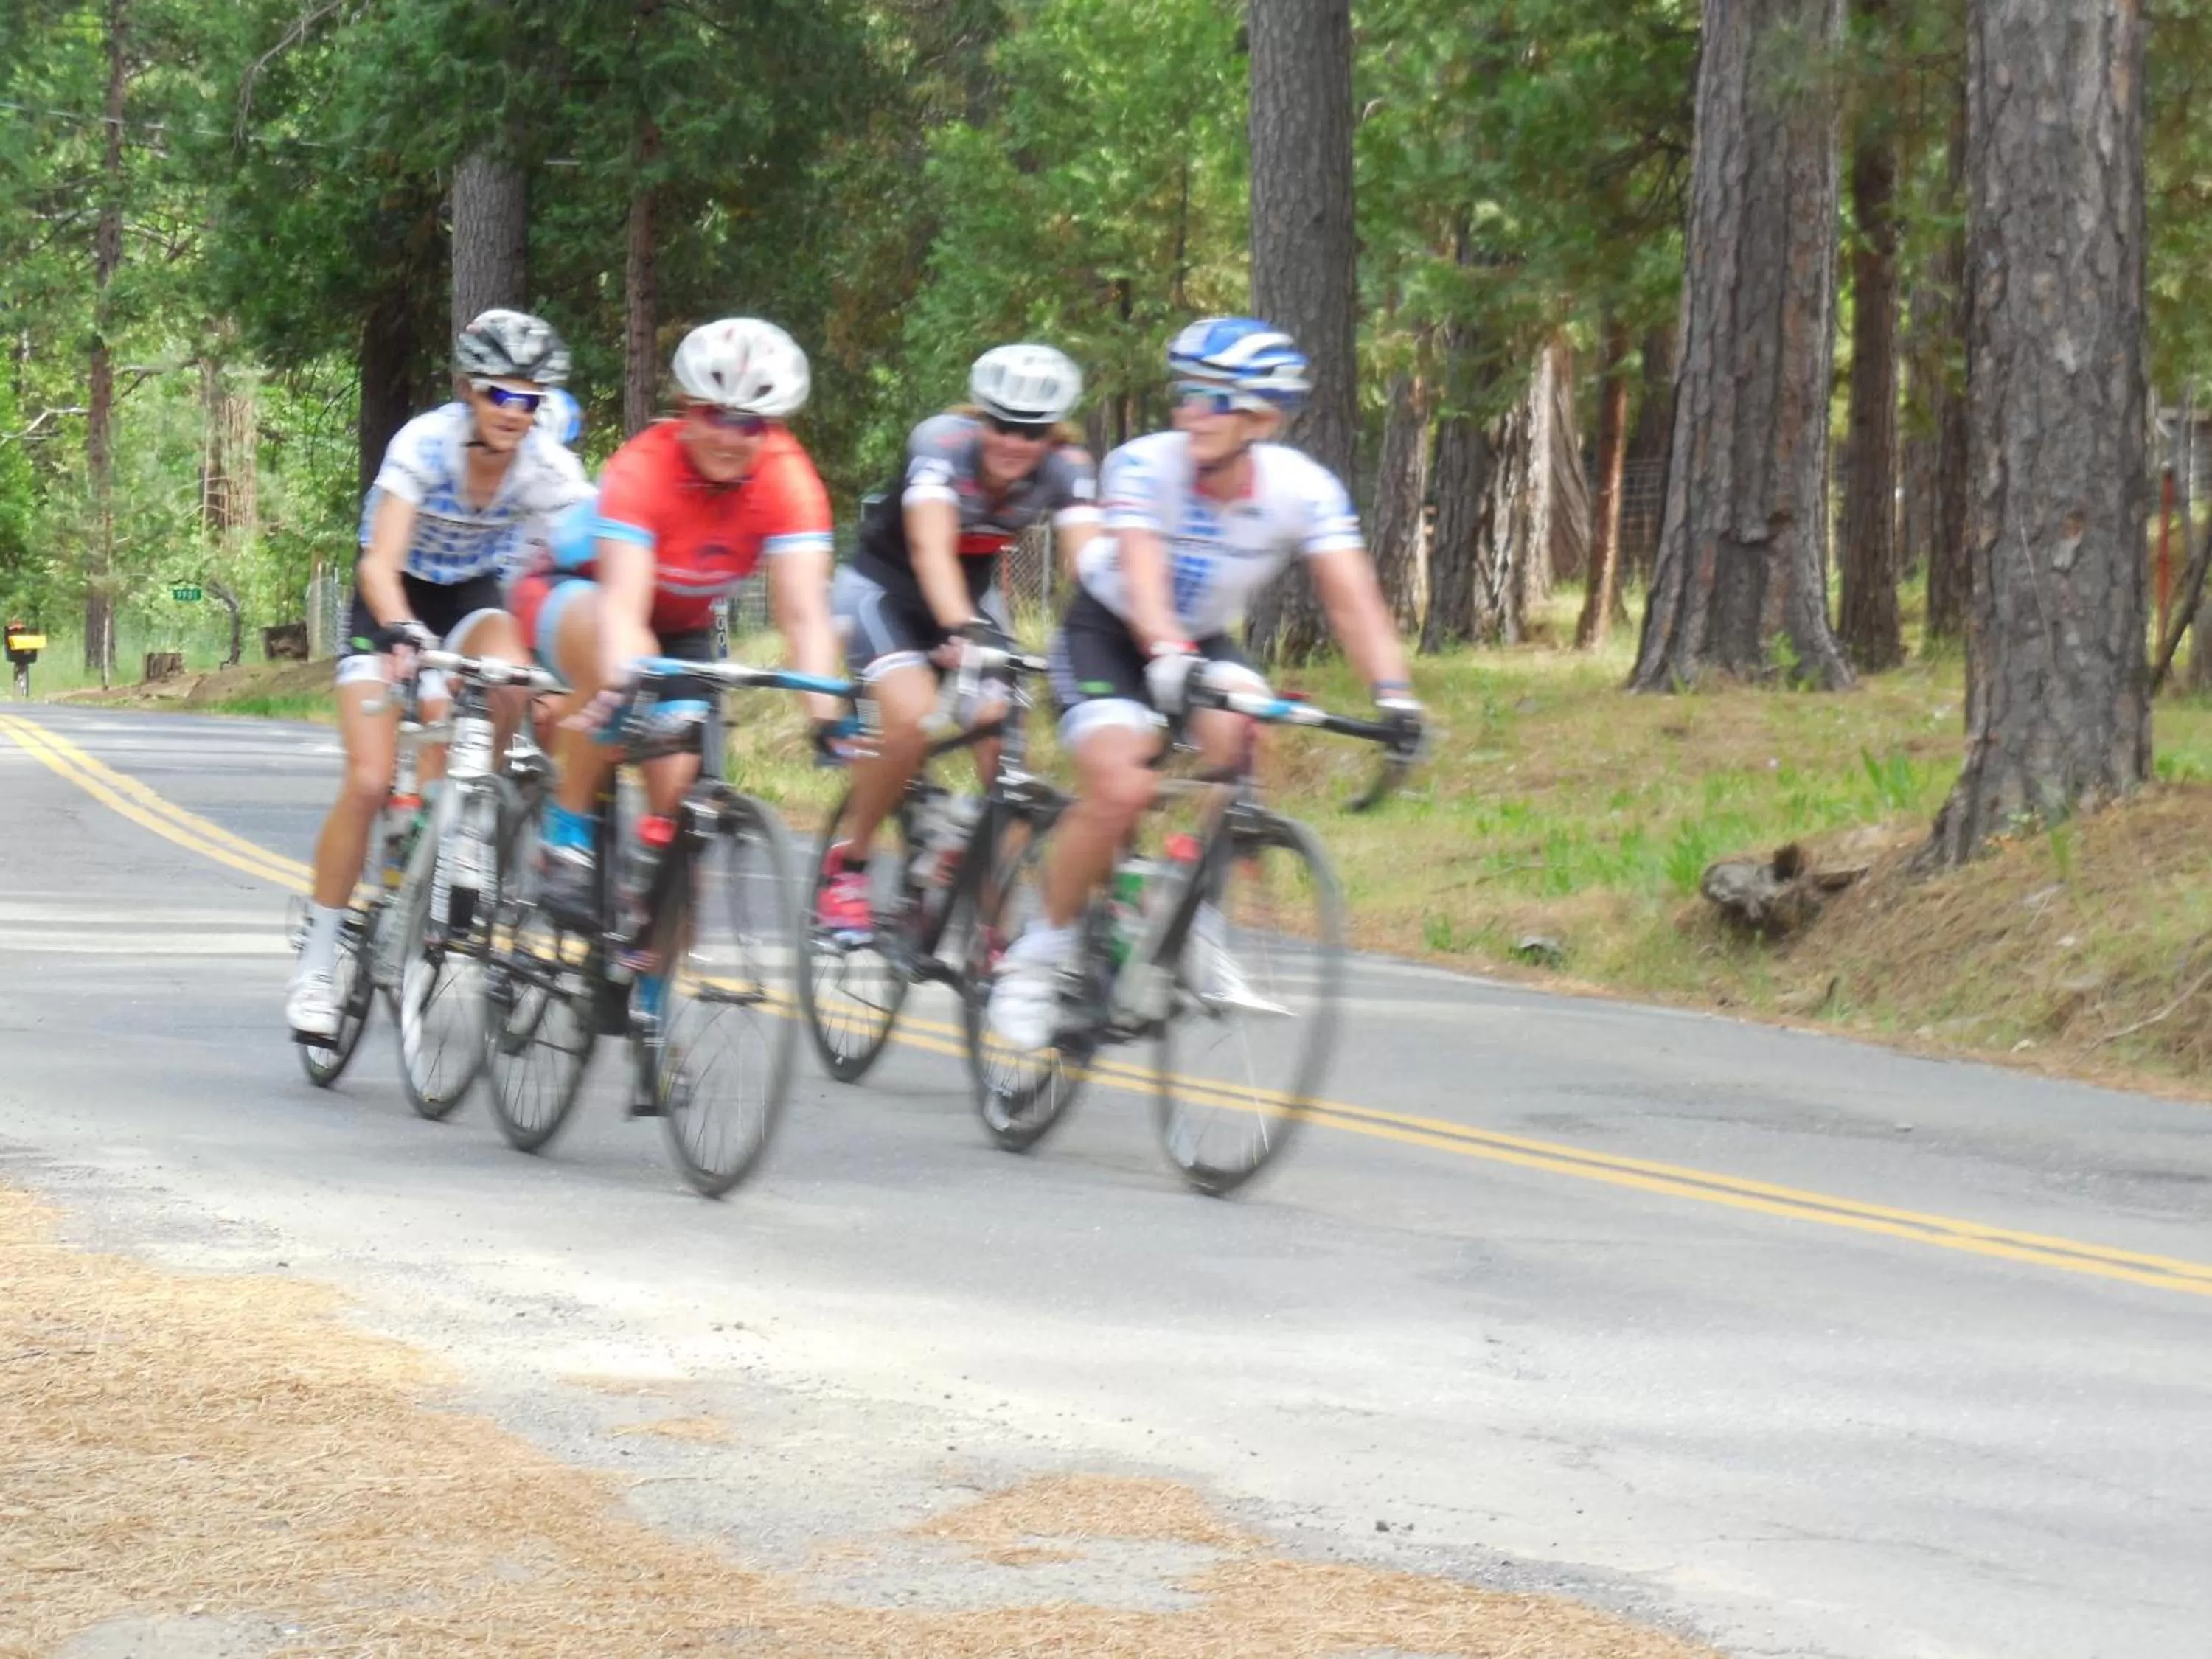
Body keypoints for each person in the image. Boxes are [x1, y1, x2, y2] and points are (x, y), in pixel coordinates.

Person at [986, 316, 1425, 1051]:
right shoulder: (1142, 464)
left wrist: (1395, 696)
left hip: (1201, 639)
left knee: (1245, 730)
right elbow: (1144, 569)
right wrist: (1162, 649)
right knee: (1119, 786)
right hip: (1109, 633)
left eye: (1211, 399)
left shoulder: (1303, 489)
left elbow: (1354, 600)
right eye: (1184, 392)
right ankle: (1041, 953)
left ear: (1262, 417)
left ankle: (1200, 920)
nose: (1188, 412)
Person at [286, 309, 590, 1041]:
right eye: (500, 394)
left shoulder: (549, 465)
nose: (517, 411)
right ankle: (318, 968)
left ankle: (466, 830)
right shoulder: (425, 444)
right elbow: (378, 562)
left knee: (515, 677)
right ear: (468, 391)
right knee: (367, 780)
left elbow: (583, 561)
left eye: (532, 398)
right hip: (394, 595)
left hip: (475, 593)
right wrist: (397, 631)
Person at [509, 317, 842, 922]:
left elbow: (804, 615)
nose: (729, 435)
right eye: (713, 413)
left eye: (749, 422)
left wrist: (828, 715)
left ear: (772, 427)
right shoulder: (645, 469)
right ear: (685, 408)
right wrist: (625, 680)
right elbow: (624, 611)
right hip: (578, 592)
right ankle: (565, 835)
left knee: (682, 815)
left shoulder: (790, 482)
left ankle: (644, 1002)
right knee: (617, 682)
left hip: (678, 623)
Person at [818, 343, 1098, 935]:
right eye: (1000, 424)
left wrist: (1111, 635)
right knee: (910, 718)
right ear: (978, 415)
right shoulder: (940, 444)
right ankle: (850, 863)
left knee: (1004, 752)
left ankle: (995, 940)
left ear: (1054, 433)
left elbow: (1090, 563)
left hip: (969, 600)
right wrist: (960, 629)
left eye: (1033, 431)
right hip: (885, 590)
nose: (1014, 442)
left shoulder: (1066, 466)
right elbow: (929, 548)